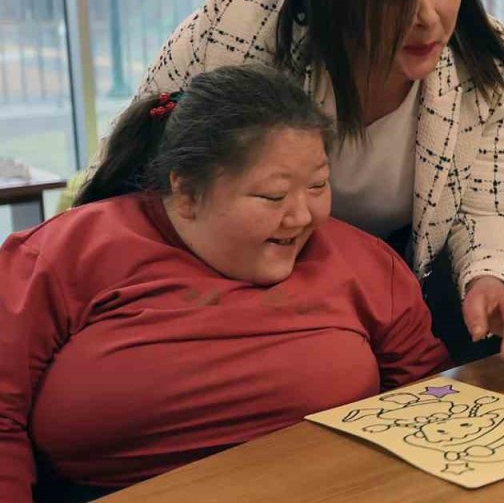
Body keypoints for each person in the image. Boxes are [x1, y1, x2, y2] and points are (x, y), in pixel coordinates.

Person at [136, 0, 504, 373]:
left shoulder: (486, 65)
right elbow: (146, 145)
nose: (427, 17)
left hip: (378, 291)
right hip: (218, 271)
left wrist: (490, 280)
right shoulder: (244, 21)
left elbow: (488, 206)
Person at [0, 66, 450, 502]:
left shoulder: (364, 263)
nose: (302, 216)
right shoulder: (63, 255)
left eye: (317, 186)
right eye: (273, 196)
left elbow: (430, 399)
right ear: (186, 193)